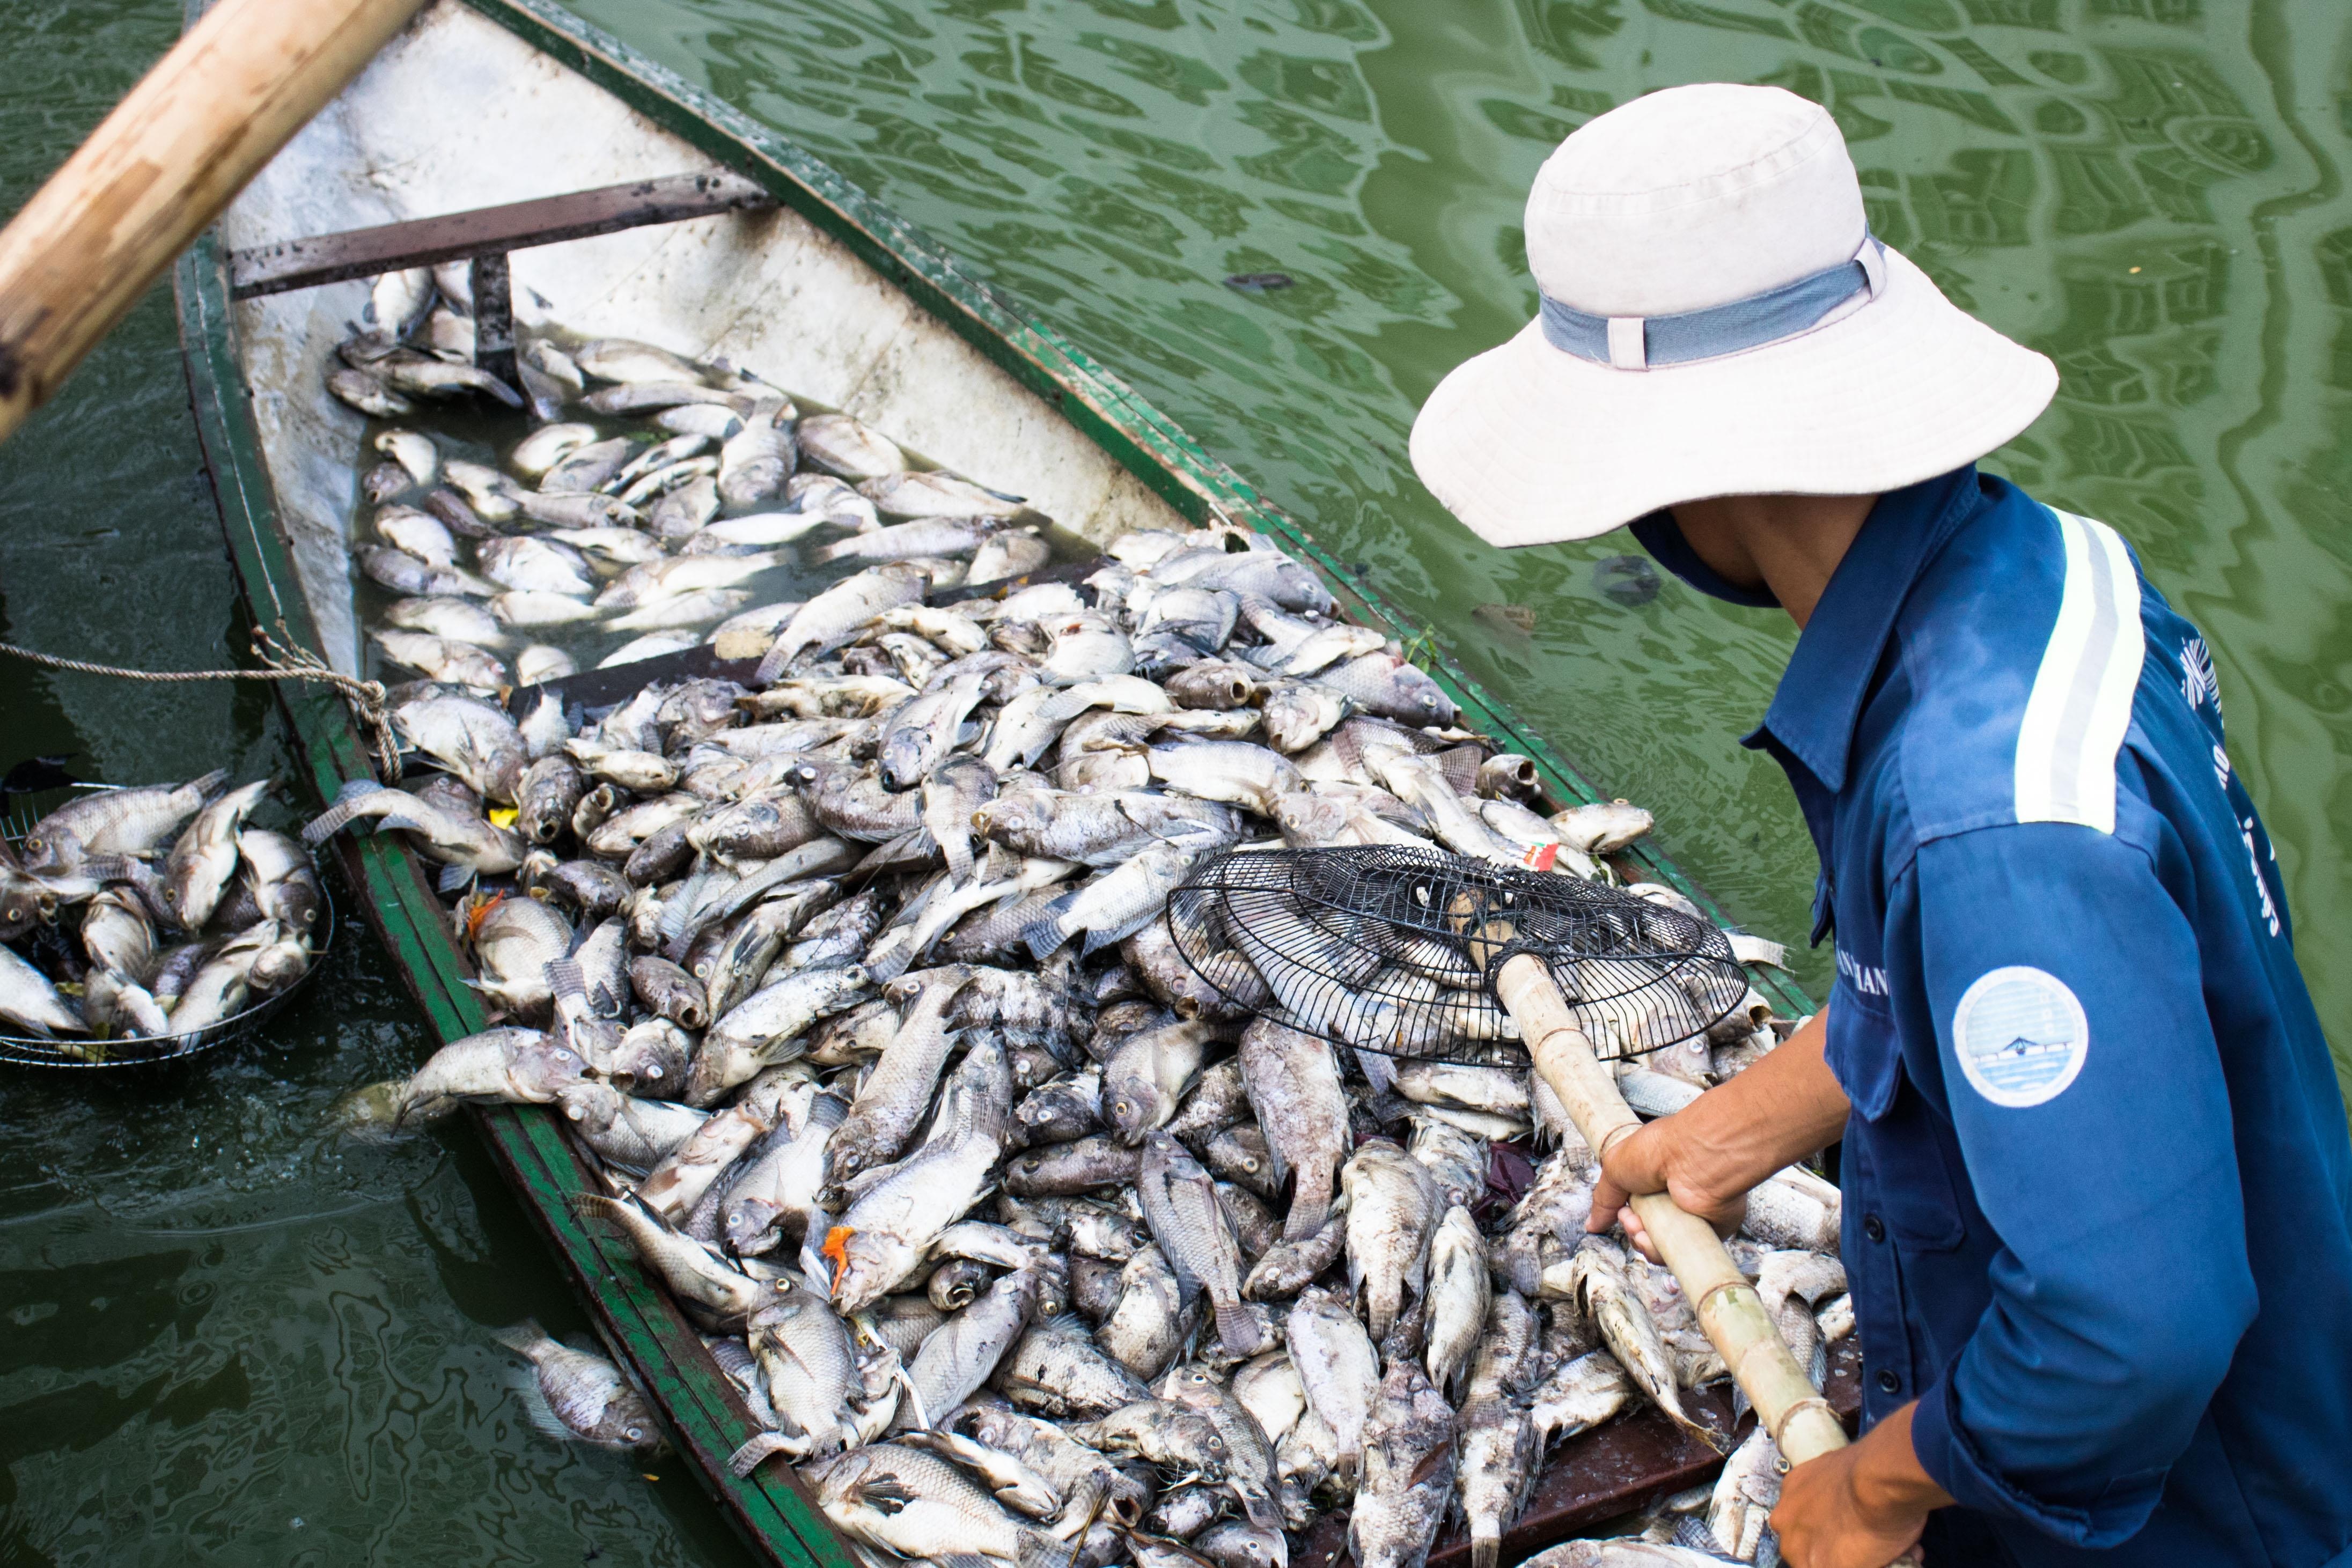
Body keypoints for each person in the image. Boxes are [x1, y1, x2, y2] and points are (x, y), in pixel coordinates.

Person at [1410, 83, 2352, 1568]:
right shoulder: (2047, 567)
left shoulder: (1984, 818)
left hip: (2201, 1518)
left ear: (1688, 474)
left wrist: (1881, 1484)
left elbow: (2134, 1332)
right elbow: (1974, 985)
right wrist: (1738, 1123)